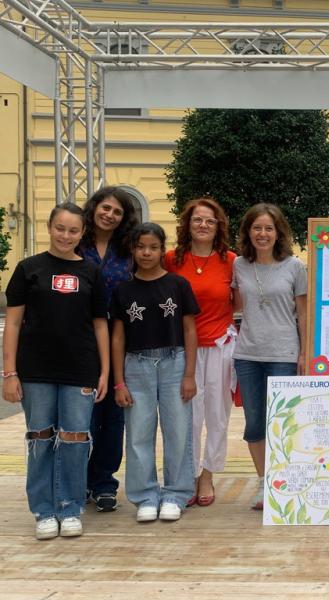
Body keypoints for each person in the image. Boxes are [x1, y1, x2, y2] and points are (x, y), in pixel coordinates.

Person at [2, 202, 109, 539]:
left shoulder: (92, 272)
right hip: (35, 370)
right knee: (41, 438)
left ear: (82, 233)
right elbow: (13, 323)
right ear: (49, 227)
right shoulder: (28, 269)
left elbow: (101, 325)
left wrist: (105, 372)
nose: (66, 235)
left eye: (73, 230)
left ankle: (70, 507)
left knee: (75, 439)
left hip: (81, 368)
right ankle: (44, 511)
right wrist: (9, 373)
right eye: (60, 228)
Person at [111, 223, 199, 523]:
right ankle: (145, 495)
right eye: (140, 247)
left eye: (153, 247)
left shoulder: (178, 285)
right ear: (132, 250)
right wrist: (119, 382)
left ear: (163, 250)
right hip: (136, 366)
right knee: (138, 433)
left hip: (174, 362)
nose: (146, 253)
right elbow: (118, 338)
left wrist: (189, 374)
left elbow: (190, 330)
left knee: (178, 431)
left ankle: (176, 493)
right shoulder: (123, 290)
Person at [232, 203, 307, 510]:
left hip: (284, 354)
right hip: (247, 354)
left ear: (278, 233)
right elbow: (234, 304)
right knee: (254, 423)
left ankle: (285, 480)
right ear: (248, 232)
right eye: (257, 228)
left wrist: (305, 353)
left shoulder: (294, 266)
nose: (262, 234)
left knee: (283, 423)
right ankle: (266, 483)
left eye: (268, 228)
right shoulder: (238, 265)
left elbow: (303, 313)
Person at [166, 198, 236, 507]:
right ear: (187, 224)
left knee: (217, 416)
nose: (203, 225)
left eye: (210, 220)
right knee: (187, 417)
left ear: (218, 226)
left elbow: (240, 300)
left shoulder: (230, 260)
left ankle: (207, 474)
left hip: (220, 346)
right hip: (183, 349)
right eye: (197, 220)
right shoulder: (171, 259)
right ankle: (188, 474)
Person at [80, 186, 139, 512]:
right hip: (80, 341)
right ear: (94, 208)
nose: (110, 215)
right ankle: (78, 481)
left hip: (121, 340)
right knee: (83, 417)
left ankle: (103, 482)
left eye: (117, 211)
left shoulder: (128, 250)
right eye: (105, 208)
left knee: (114, 419)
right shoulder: (77, 242)